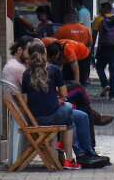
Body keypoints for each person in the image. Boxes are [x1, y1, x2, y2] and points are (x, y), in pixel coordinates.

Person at [20, 40, 81, 170]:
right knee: (69, 109)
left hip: (35, 119)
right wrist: (56, 99)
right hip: (52, 116)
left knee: (67, 114)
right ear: (45, 53)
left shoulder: (25, 74)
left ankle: (60, 150)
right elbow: (64, 94)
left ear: (30, 56)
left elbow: (25, 101)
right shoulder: (54, 70)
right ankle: (68, 158)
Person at [46, 43, 114, 150]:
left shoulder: (29, 71)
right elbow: (62, 93)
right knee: (80, 101)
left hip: (46, 107)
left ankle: (94, 119)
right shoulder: (38, 70)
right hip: (48, 112)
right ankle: (90, 146)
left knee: (81, 104)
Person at [92, 2, 114, 100]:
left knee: (99, 67)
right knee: (113, 71)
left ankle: (105, 84)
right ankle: (112, 94)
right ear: (111, 9)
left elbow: (94, 36)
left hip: (103, 48)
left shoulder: (99, 19)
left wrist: (91, 49)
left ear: (103, 9)